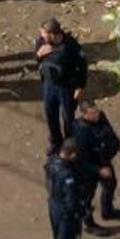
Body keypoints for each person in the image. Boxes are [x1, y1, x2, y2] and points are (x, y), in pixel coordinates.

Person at [72, 98, 120, 228]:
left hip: (104, 160)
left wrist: (111, 150)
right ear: (84, 114)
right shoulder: (80, 131)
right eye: (92, 114)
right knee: (87, 196)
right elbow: (82, 159)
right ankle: (89, 224)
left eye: (96, 112)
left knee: (110, 184)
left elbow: (109, 132)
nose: (96, 115)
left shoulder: (101, 117)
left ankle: (107, 211)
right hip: (89, 168)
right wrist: (98, 170)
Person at [35, 18, 87, 152]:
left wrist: (81, 86)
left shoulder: (71, 46)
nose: (41, 35)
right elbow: (38, 60)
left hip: (66, 87)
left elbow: (82, 66)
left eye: (44, 33)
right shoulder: (41, 42)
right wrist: (39, 54)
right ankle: (55, 141)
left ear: (53, 34)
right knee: (50, 114)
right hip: (49, 84)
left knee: (68, 116)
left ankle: (69, 143)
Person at [44, 139, 89, 239]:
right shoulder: (68, 174)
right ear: (72, 154)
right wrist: (80, 212)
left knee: (58, 236)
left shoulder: (52, 161)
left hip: (53, 204)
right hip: (65, 210)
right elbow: (72, 200)